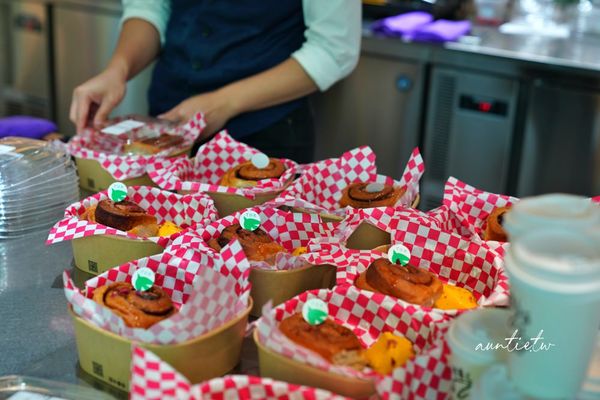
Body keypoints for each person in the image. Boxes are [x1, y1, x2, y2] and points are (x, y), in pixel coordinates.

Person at [70, 1, 361, 163]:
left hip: (264, 138)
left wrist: (223, 103)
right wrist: (118, 69)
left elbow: (334, 49)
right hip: (166, 128)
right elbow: (150, 9)